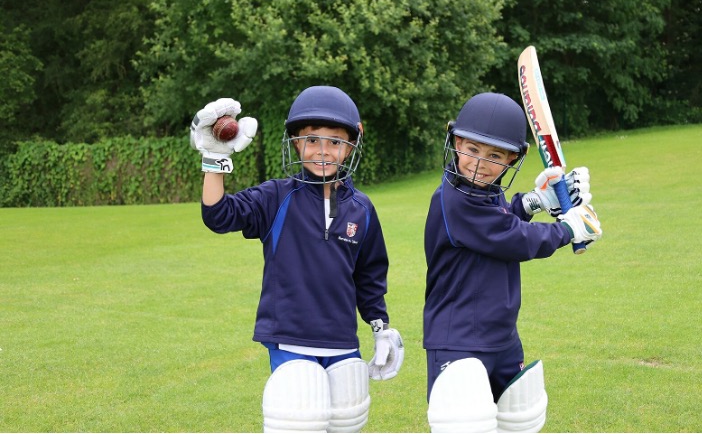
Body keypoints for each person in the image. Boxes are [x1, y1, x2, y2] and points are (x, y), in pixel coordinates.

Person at [189, 86, 404, 433]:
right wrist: (214, 161)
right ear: (295, 142)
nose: (323, 151)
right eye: (312, 140)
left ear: (350, 147)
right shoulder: (276, 196)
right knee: (298, 418)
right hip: (290, 337)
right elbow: (218, 216)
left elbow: (369, 276)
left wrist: (380, 328)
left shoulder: (362, 209)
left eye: (335, 142)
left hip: (341, 341)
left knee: (348, 417)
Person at [422, 92, 602, 433]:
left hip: (501, 335)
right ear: (455, 142)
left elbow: (503, 216)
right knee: (464, 424)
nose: (479, 163)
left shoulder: (486, 193)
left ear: (511, 159)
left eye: (493, 155)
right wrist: (568, 228)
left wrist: (536, 201)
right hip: (458, 337)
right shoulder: (454, 199)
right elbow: (512, 237)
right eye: (472, 150)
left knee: (519, 422)